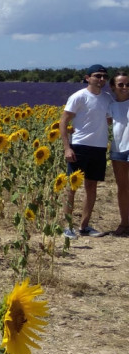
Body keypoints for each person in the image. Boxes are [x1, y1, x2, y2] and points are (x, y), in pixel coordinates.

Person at [60, 65, 112, 238]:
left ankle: (85, 226)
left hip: (99, 147)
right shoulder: (78, 97)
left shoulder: (107, 98)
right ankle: (68, 227)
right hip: (80, 146)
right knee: (72, 187)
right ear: (87, 77)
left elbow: (109, 120)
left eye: (104, 76)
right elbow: (63, 121)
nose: (102, 79)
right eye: (98, 76)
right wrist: (67, 147)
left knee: (92, 186)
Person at [107, 72, 129, 237]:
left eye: (127, 84)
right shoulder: (111, 106)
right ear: (113, 87)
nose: (125, 88)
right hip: (118, 149)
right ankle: (124, 223)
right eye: (121, 85)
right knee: (122, 188)